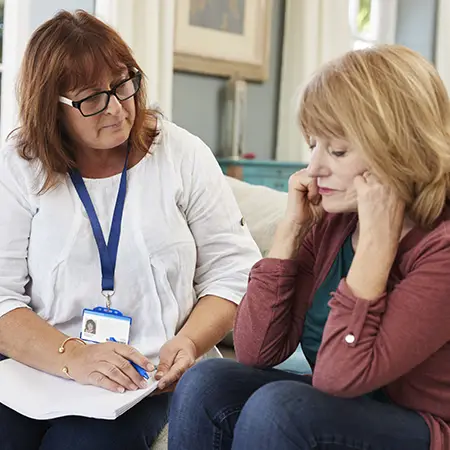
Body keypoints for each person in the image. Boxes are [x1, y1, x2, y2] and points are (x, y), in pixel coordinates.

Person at [0, 9, 260, 450]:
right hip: (44, 368)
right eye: (92, 99)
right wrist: (77, 357)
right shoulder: (20, 166)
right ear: (52, 107)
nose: (118, 108)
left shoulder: (180, 153)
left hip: (149, 376)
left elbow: (234, 272)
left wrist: (190, 342)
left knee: (80, 444)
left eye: (124, 84)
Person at [169, 45, 450, 450]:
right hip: (344, 408)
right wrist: (290, 231)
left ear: (398, 148)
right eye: (313, 145)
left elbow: (338, 378)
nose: (314, 168)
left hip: (422, 428)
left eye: (336, 150)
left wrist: (375, 243)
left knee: (281, 408)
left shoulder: (440, 249)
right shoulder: (334, 221)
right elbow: (256, 349)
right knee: (207, 381)